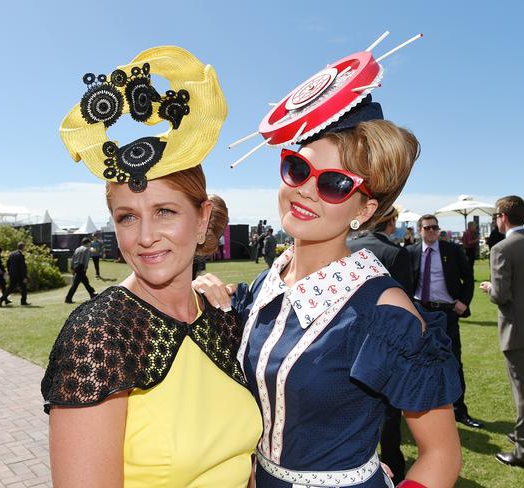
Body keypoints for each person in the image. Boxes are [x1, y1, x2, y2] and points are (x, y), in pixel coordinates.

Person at [195, 40, 463, 487]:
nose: (305, 190)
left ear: (363, 209)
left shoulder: (386, 312)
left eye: (335, 184)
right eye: (298, 169)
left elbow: (441, 456)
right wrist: (204, 292)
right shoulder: (267, 284)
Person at [41, 46, 261, 487]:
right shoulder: (99, 333)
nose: (144, 237)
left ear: (202, 221)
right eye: (127, 217)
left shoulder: (221, 318)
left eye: (164, 211)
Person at [347, 205, 414, 485]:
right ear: (392, 222)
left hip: (343, 339)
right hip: (383, 344)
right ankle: (392, 463)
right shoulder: (397, 253)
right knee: (388, 411)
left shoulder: (349, 245)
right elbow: (408, 306)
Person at [409, 214, 482, 429]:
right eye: (427, 228)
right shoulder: (411, 252)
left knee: (453, 361)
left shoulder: (452, 250)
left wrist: (463, 302)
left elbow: (468, 277)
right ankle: (422, 408)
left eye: (435, 227)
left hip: (447, 314)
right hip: (420, 313)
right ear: (419, 231)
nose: (432, 231)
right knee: (418, 362)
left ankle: (460, 410)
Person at [480, 196, 524, 468]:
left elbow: (501, 295)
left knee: (523, 393)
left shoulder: (502, 249)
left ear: (503, 217)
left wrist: (489, 289)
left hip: (518, 331)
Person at [64, 237, 97, 304]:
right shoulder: (87, 249)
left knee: (86, 282)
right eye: (90, 243)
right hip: (81, 268)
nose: (90, 244)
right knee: (75, 284)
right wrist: (85, 268)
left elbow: (73, 258)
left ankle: (93, 294)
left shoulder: (77, 249)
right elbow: (86, 260)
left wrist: (72, 268)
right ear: (87, 243)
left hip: (76, 268)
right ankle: (68, 298)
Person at [0, 242, 30, 306]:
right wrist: (24, 276)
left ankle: (2, 299)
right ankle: (23, 301)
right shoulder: (21, 255)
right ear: (22, 247)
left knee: (10, 287)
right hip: (19, 275)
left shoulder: (12, 254)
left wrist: (9, 271)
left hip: (12, 274)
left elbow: (8, 263)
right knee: (23, 288)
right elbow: (22, 267)